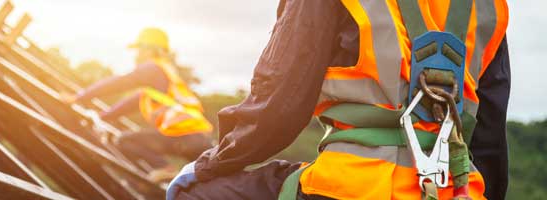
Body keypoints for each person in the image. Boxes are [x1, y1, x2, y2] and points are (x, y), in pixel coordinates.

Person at [166, 0, 510, 200]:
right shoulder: (491, 8)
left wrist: (209, 165)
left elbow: (276, 110)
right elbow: (489, 137)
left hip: (351, 186)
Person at [67, 28, 213, 180]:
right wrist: (102, 117)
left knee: (125, 141)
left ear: (149, 50)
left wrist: (79, 97)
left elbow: (119, 83)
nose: (137, 55)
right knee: (206, 184)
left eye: (139, 50)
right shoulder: (162, 81)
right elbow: (129, 104)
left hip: (182, 136)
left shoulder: (153, 68)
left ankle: (164, 168)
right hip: (198, 139)